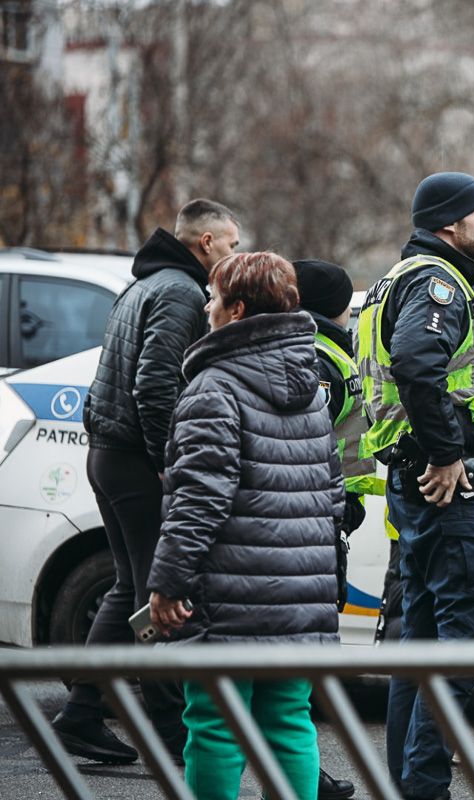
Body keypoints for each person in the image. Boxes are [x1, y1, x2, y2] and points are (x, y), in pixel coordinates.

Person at [147, 251, 343, 800]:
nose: (205, 307)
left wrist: (169, 581)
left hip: (228, 593)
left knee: (215, 725)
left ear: (234, 310)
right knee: (288, 721)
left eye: (211, 298)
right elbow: (331, 493)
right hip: (301, 590)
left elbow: (198, 498)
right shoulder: (312, 387)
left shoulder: (214, 388)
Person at [50, 199, 240, 764]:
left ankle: (83, 714)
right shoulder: (181, 293)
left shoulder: (145, 284)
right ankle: (166, 731)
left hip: (110, 452)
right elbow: (156, 384)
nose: (235, 252)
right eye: (230, 243)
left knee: (131, 587)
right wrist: (168, 461)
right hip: (136, 458)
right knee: (160, 596)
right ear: (205, 243)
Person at [356, 172, 474, 800]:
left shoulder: (397, 277)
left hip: (411, 483)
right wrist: (449, 455)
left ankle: (405, 784)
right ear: (451, 225)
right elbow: (418, 366)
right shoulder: (437, 282)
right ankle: (423, 788)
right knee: (462, 646)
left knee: (417, 651)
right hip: (448, 486)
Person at [294, 258, 377, 800]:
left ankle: (300, 769)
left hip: (326, 513)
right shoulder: (319, 356)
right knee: (306, 648)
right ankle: (302, 773)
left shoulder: (327, 348)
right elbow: (313, 444)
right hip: (315, 519)